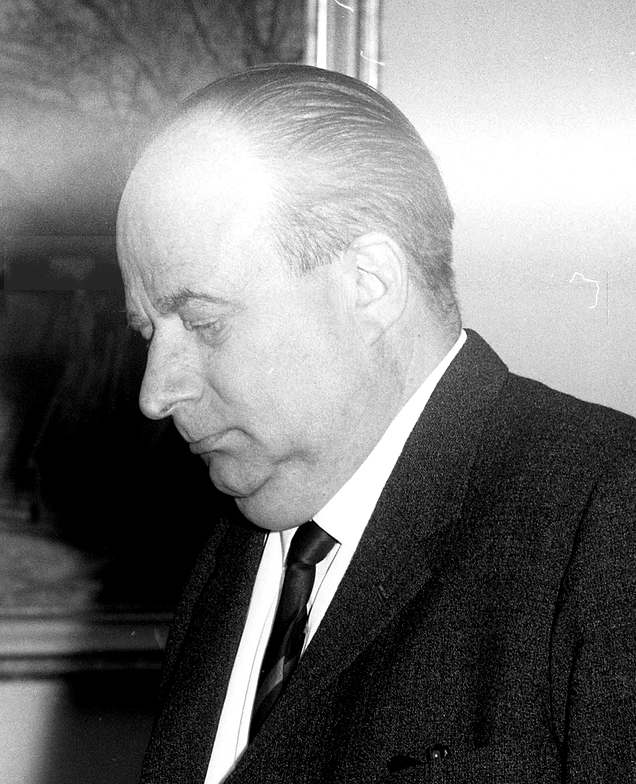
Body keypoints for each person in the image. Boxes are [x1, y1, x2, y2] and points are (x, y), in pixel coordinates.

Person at [116, 64, 636, 784]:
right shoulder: (227, 555)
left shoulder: (605, 516)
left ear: (370, 284)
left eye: (203, 322)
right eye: (148, 332)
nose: (155, 393)